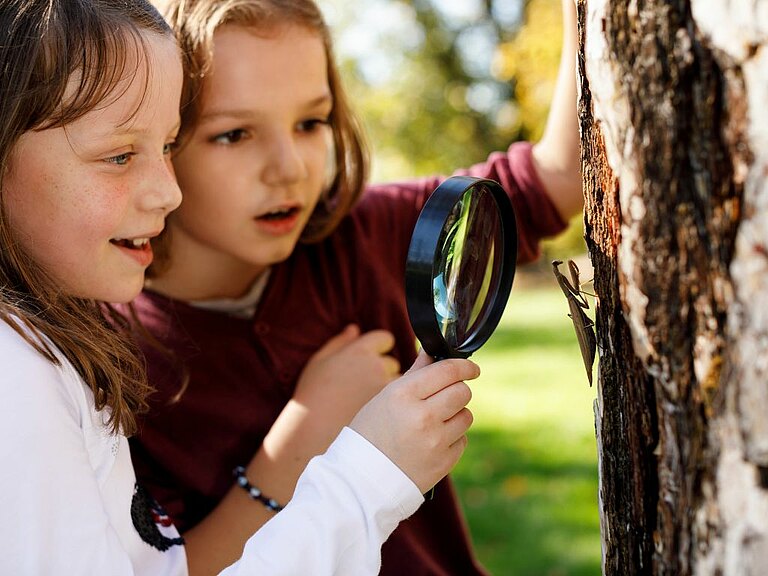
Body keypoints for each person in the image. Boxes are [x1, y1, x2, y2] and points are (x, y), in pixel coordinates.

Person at [0, 1, 480, 574]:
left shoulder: (50, 346)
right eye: (120, 154)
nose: (168, 192)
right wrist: (369, 472)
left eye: (168, 145)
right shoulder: (18, 376)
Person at [130, 0, 582, 574]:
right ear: (160, 140)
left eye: (311, 123)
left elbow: (559, 180)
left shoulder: (367, 233)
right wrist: (305, 439)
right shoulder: (107, 358)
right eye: (235, 133)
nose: (289, 166)